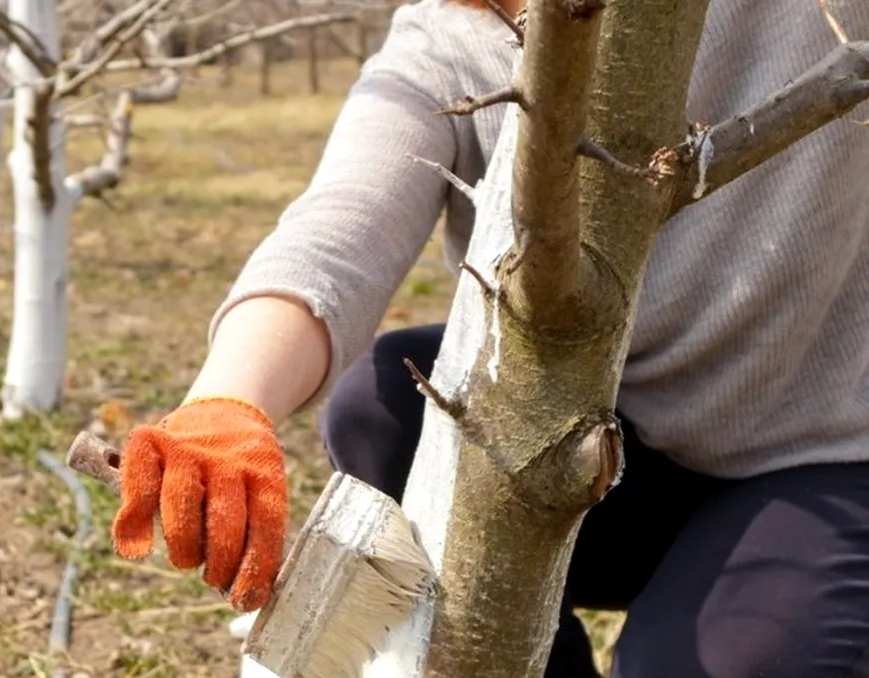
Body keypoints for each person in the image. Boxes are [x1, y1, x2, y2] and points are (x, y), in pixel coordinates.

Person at [107, 0, 869, 676]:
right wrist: (227, 404)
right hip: (606, 449)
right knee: (383, 404)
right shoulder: (453, 35)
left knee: (698, 665)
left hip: (822, 453)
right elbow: (335, 234)